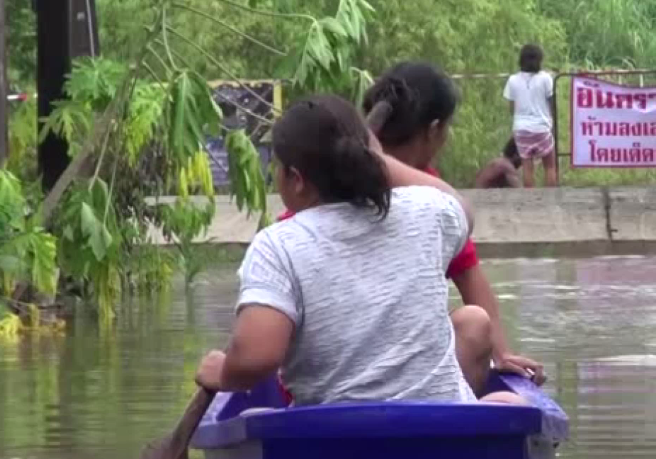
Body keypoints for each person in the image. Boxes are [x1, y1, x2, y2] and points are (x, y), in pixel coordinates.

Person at [194, 94, 521, 407]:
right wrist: (378, 160)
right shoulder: (429, 210)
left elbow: (257, 356)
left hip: (335, 440)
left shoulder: (277, 244)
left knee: (257, 418)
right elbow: (462, 208)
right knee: (508, 403)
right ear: (373, 158)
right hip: (436, 428)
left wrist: (223, 372)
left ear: (295, 178)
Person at [277, 61, 543, 397]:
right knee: (476, 326)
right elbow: (472, 279)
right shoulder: (434, 203)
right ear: (434, 130)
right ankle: (451, 428)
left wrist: (502, 354)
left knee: (474, 323)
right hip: (363, 386)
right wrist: (501, 354)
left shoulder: (319, 187)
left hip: (326, 390)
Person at [504, 44, 557, 188]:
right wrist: (551, 122)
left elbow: (511, 108)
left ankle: (530, 202)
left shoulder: (512, 80)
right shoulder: (546, 78)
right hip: (542, 127)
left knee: (527, 167)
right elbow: (551, 103)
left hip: (521, 129)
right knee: (550, 166)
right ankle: (551, 198)